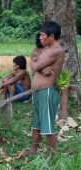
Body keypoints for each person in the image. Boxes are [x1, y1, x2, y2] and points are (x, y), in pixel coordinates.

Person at [29, 21, 64, 155]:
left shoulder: (56, 50)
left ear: (52, 36)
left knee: (48, 127)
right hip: (38, 92)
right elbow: (35, 68)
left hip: (47, 92)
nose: (40, 38)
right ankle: (33, 152)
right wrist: (38, 66)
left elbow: (35, 66)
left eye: (42, 35)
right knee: (36, 125)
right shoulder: (46, 49)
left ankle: (51, 156)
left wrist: (35, 63)